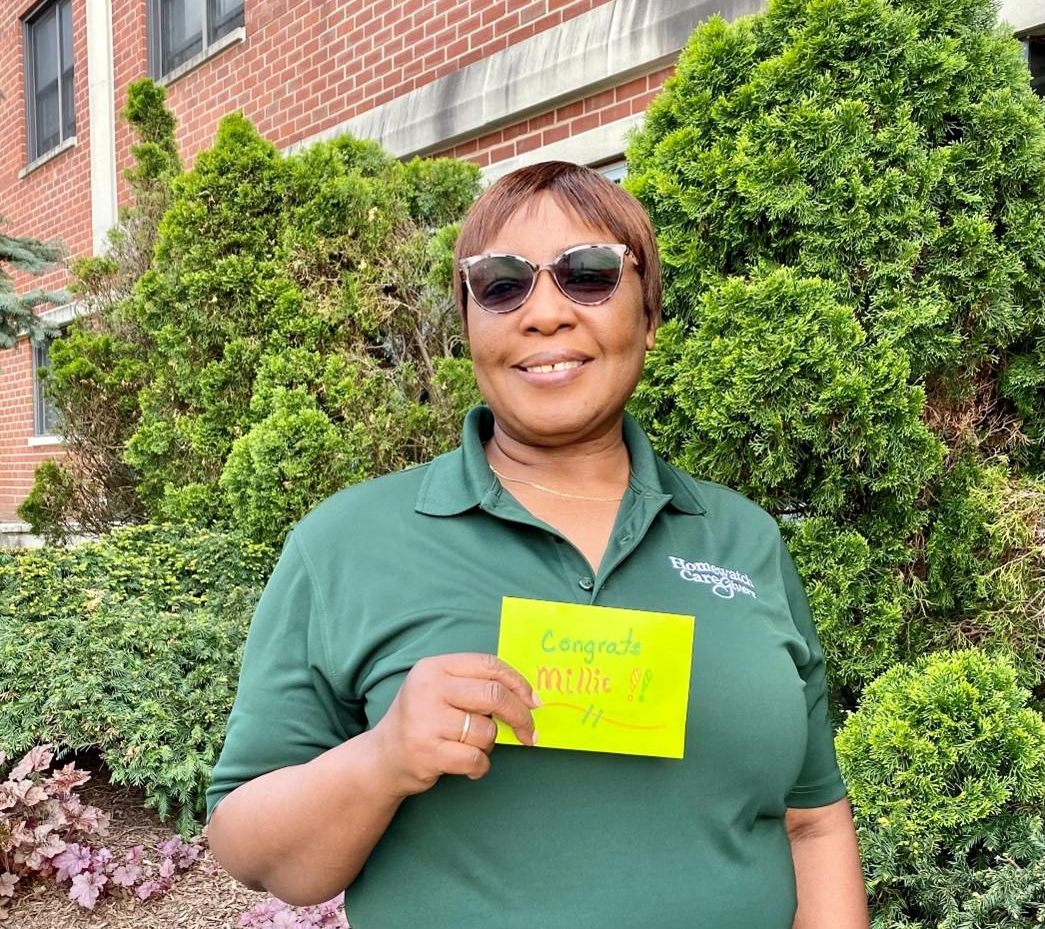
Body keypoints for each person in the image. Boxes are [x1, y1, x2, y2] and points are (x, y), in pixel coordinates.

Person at [205, 161, 869, 928]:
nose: (545, 313)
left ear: (648, 316)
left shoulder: (743, 538)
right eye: (501, 283)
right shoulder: (344, 544)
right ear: (468, 324)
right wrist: (380, 758)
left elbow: (811, 821)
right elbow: (247, 844)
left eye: (588, 275)